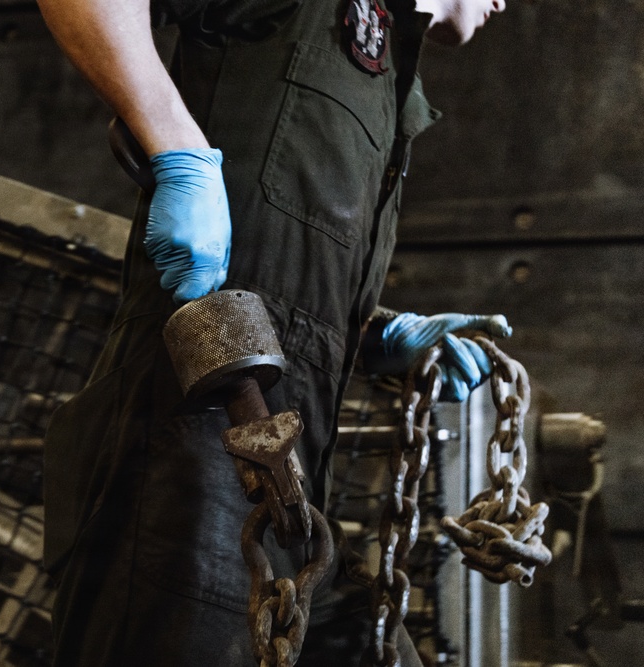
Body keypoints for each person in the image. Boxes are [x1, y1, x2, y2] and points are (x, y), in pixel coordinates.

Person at [36, 0, 507, 664]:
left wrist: (374, 336)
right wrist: (177, 147)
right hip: (189, 463)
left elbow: (281, 261)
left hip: (283, 485)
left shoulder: (387, 77)